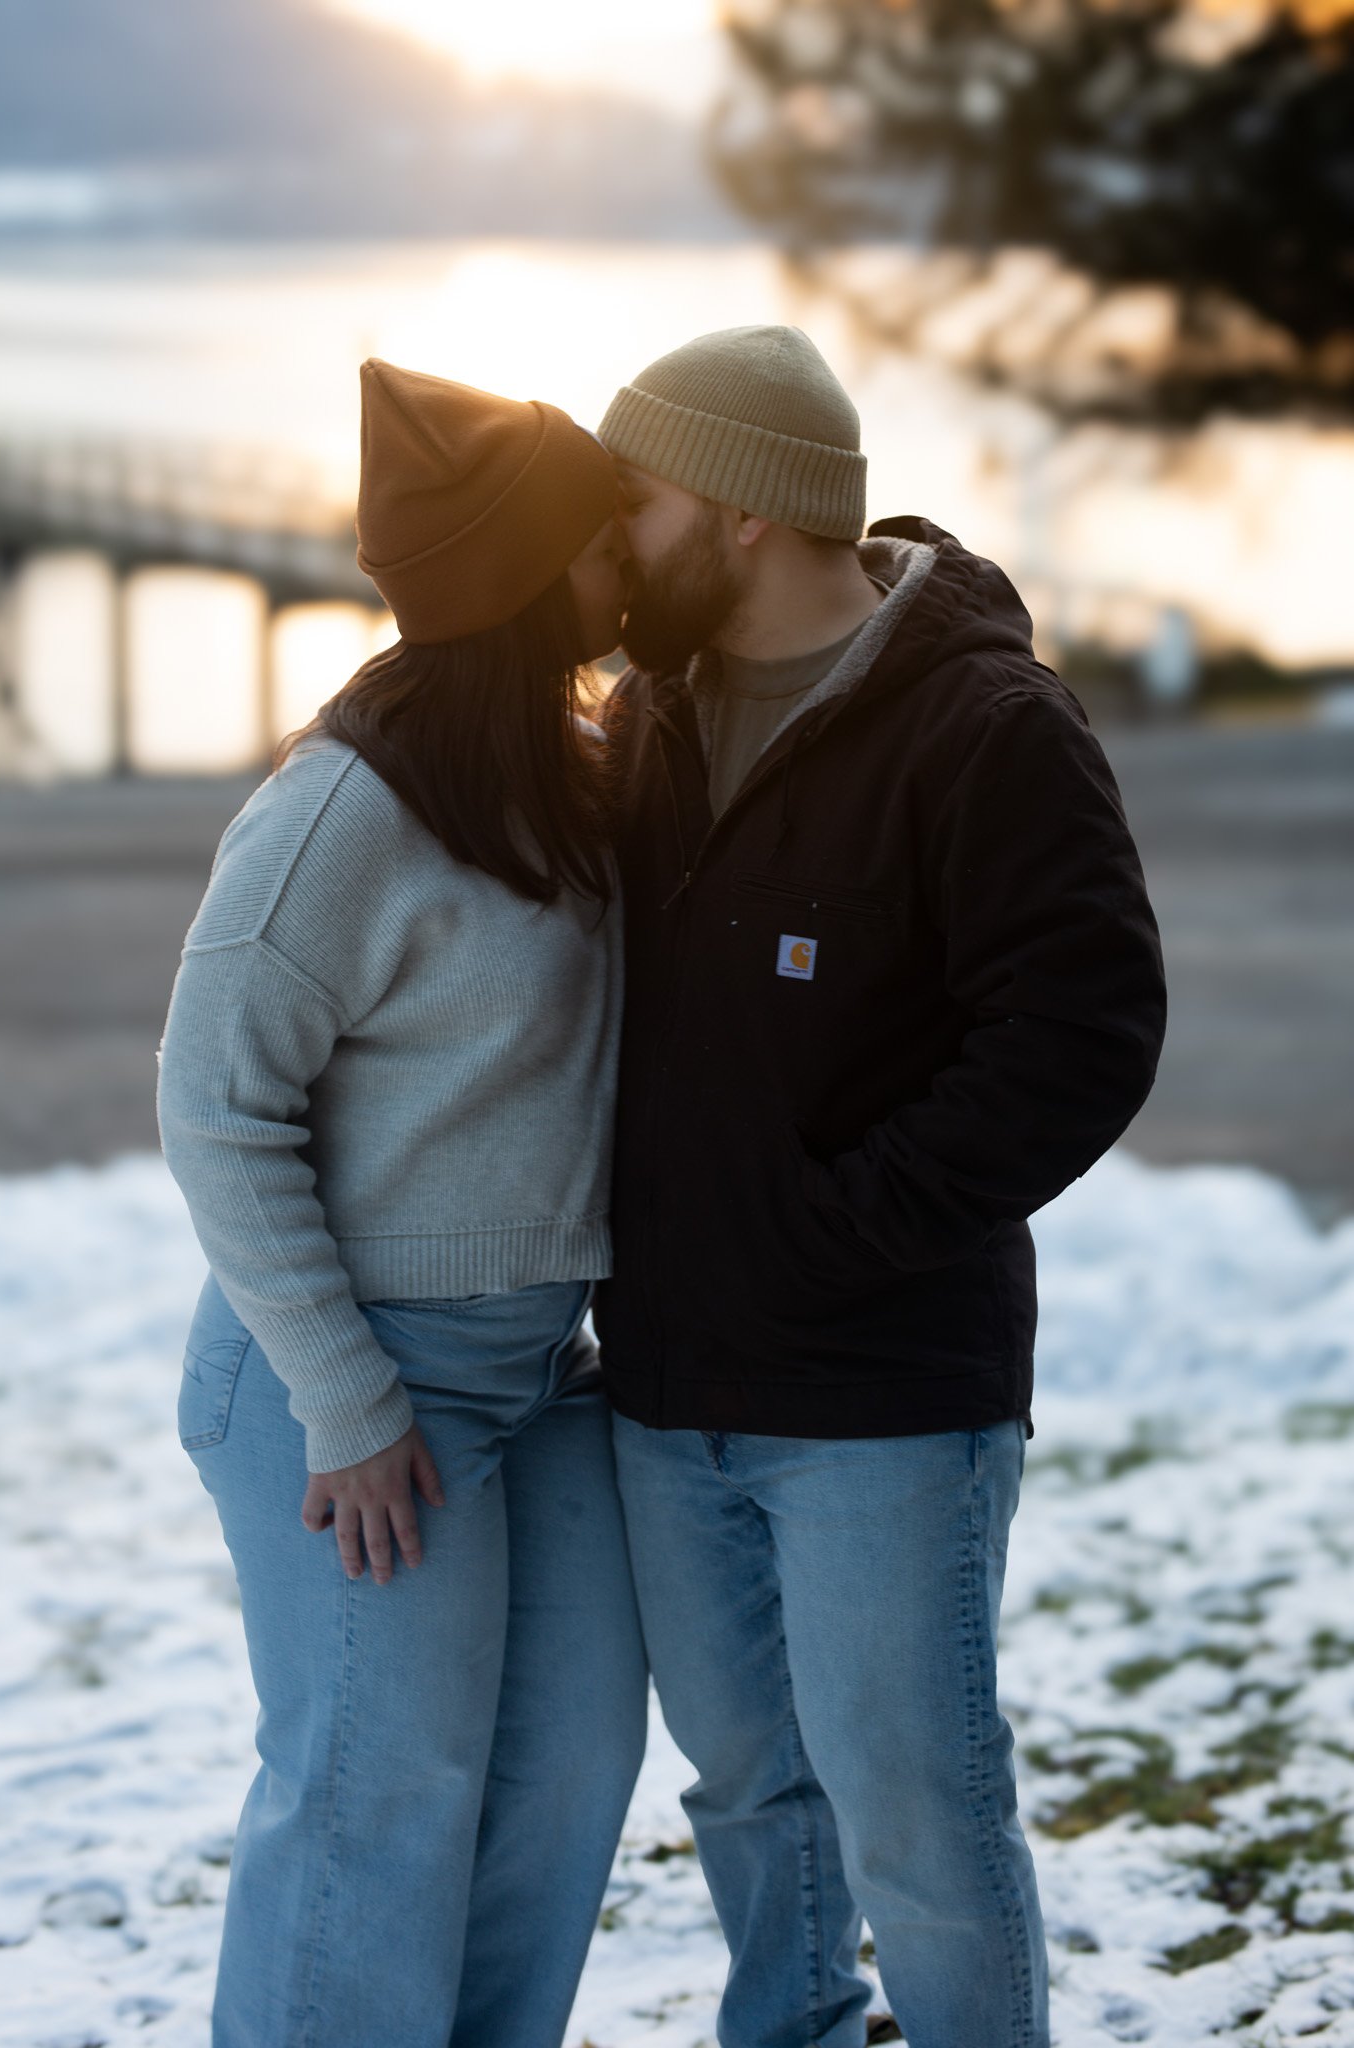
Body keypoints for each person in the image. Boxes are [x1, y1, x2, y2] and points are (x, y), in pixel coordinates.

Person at [596, 324, 1168, 2048]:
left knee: (916, 1819)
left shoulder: (987, 728)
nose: (609, 538)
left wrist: (834, 1233)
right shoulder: (647, 716)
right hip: (663, 1385)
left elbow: (1083, 1031)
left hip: (884, 1394)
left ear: (743, 513)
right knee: (748, 1799)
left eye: (633, 500)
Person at [157, 358, 648, 2048]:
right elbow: (212, 1104)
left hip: (536, 1370)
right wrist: (349, 1404)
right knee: (378, 1803)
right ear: (530, 578)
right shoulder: (340, 810)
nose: (629, 567)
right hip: (351, 1391)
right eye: (600, 541)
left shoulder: (574, 774)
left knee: (569, 1771)